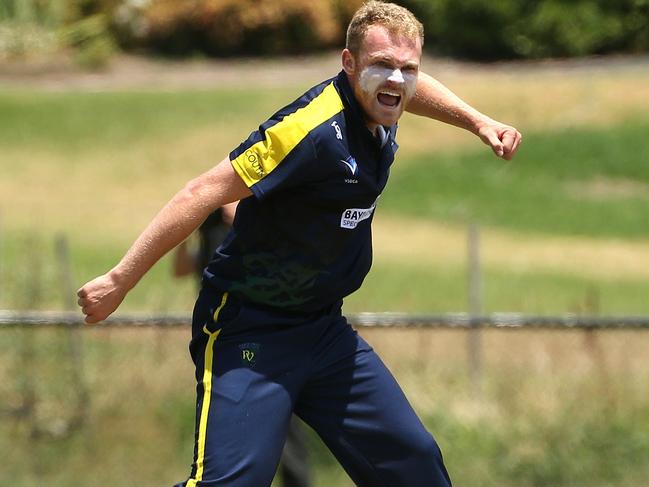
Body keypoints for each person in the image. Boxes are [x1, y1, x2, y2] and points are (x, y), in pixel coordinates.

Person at [77, 2, 522, 486]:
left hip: (323, 329)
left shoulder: (383, 100)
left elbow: (405, 84)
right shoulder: (310, 132)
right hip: (250, 328)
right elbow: (202, 191)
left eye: (407, 68)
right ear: (348, 64)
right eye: (379, 66)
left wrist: (479, 121)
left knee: (415, 465)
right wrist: (120, 279)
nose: (395, 80)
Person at [172, 206, 312, 487]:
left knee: (285, 425)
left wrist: (247, 212)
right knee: (228, 432)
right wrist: (184, 232)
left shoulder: (263, 211)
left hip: (267, 334)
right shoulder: (212, 230)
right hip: (224, 342)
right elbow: (181, 269)